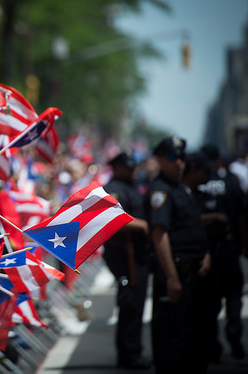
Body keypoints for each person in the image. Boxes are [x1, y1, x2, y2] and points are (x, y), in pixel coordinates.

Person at [145, 137, 211, 373]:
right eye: (173, 158)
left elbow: (192, 226)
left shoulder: (181, 188)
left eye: (182, 158)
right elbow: (159, 235)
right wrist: (172, 277)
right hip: (176, 273)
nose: (179, 163)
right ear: (160, 159)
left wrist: (205, 253)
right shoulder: (160, 191)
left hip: (195, 272)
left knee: (195, 339)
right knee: (173, 341)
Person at [197, 144, 246, 360]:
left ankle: (213, 345)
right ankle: (234, 328)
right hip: (229, 249)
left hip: (206, 251)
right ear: (219, 161)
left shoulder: (196, 185)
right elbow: (244, 216)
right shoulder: (231, 183)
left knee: (209, 301)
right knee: (234, 294)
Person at [102, 151, 150, 369]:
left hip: (138, 255)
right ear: (118, 167)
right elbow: (112, 217)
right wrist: (142, 225)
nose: (134, 171)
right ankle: (129, 354)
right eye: (129, 168)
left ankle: (133, 351)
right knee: (130, 302)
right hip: (124, 255)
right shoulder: (114, 188)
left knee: (136, 303)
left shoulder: (131, 186)